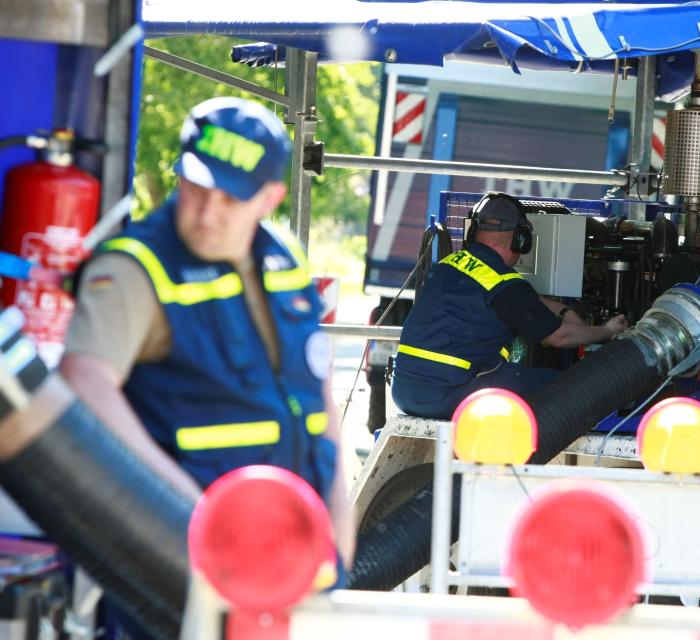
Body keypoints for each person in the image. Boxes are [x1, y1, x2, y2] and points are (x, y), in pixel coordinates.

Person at [60, 97, 354, 572]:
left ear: (269, 199)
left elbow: (318, 391)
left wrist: (341, 530)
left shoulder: (286, 257)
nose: (207, 213)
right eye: (197, 187)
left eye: (231, 197)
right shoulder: (135, 266)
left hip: (297, 557)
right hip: (187, 564)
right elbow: (84, 381)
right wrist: (193, 515)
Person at [392, 192, 628, 419]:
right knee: (567, 384)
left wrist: (562, 310)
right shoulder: (506, 283)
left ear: (472, 231)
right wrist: (607, 331)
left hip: (404, 393)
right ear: (521, 239)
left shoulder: (448, 264)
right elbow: (560, 337)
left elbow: (511, 299)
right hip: (448, 395)